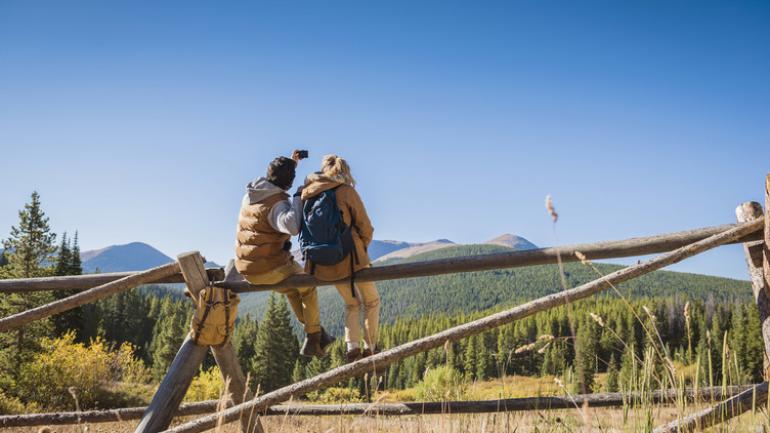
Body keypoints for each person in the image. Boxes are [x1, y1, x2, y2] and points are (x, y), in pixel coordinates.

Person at [234, 150, 333, 357]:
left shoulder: (252, 194)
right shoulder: (277, 204)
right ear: (287, 183)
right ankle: (314, 336)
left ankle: (316, 337)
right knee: (308, 285)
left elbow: (279, 178)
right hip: (269, 267)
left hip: (246, 267)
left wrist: (292, 163)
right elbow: (292, 226)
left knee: (291, 289)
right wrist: (297, 197)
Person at [300, 155, 381, 362]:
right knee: (372, 301)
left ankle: (352, 349)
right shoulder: (345, 191)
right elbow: (365, 227)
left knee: (351, 304)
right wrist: (360, 248)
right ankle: (370, 348)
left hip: (324, 262)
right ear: (344, 170)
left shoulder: (307, 194)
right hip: (352, 258)